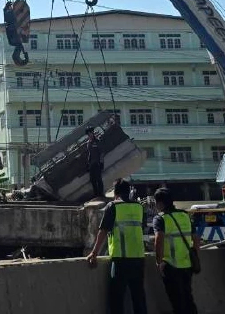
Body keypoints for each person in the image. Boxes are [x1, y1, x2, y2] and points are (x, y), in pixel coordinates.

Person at [86, 180, 148, 314]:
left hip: (121, 259)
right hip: (138, 259)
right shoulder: (139, 207)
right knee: (138, 296)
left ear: (115, 193)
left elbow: (103, 231)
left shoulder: (113, 206)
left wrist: (94, 253)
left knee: (116, 297)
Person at [153, 188, 199, 314]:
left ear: (160, 203)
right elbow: (196, 239)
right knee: (188, 299)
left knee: (177, 302)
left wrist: (159, 262)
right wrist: (194, 255)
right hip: (187, 265)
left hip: (170, 266)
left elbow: (159, 241)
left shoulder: (160, 218)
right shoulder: (184, 215)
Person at [86, 127, 106, 199]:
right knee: (92, 179)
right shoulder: (88, 143)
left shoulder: (97, 141)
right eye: (88, 134)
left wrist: (101, 163)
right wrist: (88, 164)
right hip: (91, 164)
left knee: (99, 179)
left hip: (97, 163)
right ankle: (96, 194)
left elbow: (101, 153)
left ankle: (101, 194)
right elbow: (89, 153)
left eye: (91, 133)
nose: (90, 135)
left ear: (93, 133)